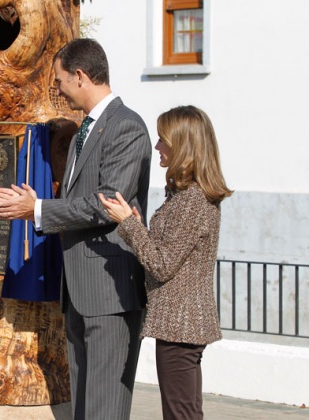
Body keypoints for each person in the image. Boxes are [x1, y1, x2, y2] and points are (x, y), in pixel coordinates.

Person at [0, 38, 152, 420]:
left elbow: (106, 203)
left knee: (104, 407)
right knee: (82, 405)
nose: (58, 90)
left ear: (80, 76)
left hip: (110, 293)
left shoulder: (126, 128)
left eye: (60, 81)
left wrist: (40, 209)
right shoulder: (85, 130)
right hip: (79, 290)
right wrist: (35, 208)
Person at [99, 105, 232, 419]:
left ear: (183, 146)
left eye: (163, 141)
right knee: (184, 411)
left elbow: (161, 264)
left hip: (181, 326)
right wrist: (138, 226)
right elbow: (170, 253)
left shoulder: (193, 201)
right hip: (181, 326)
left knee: (180, 413)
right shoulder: (187, 196)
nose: (157, 147)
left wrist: (127, 225)